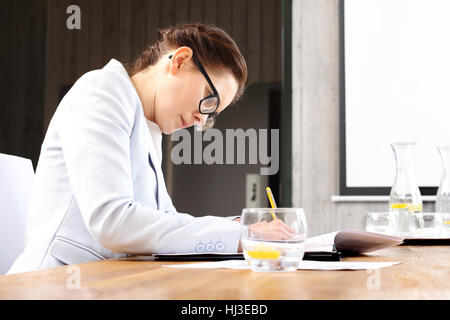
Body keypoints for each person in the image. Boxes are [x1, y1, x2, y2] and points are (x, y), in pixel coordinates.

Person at [8, 23, 294, 274]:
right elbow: (113, 221)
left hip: (104, 282)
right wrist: (241, 234)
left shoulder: (148, 128)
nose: (200, 120)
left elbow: (165, 219)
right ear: (180, 60)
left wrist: (239, 224)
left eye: (211, 114)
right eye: (208, 101)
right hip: (52, 283)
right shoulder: (103, 91)